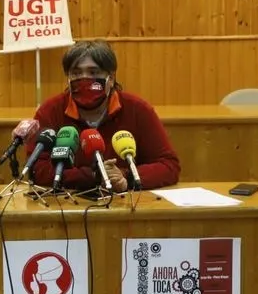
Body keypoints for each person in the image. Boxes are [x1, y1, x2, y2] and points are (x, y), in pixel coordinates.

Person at [26, 40, 180, 192]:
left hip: (124, 203)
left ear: (111, 78)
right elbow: (36, 169)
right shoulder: (50, 111)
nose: (84, 79)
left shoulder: (137, 110)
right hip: (68, 203)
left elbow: (168, 165)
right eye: (76, 73)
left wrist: (125, 177)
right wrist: (93, 176)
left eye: (93, 72)